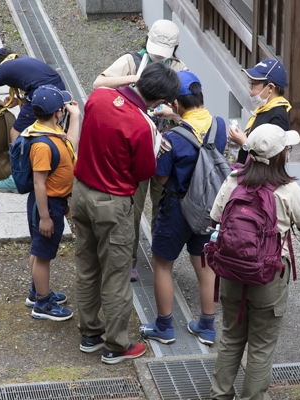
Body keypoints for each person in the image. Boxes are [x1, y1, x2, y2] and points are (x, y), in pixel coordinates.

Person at [73, 62, 180, 364]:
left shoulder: (99, 97)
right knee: (116, 275)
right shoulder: (141, 124)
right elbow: (144, 171)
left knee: (87, 264)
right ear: (159, 101)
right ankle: (116, 345)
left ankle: (90, 332)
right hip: (113, 203)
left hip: (81, 191)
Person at [209, 124, 300, 400]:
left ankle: (219, 394)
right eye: (287, 149)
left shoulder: (233, 181)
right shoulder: (288, 189)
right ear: (282, 156)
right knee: (261, 344)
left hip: (232, 269)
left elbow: (214, 218)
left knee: (231, 337)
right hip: (270, 273)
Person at [94, 19, 188, 282]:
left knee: (163, 204)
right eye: (156, 51)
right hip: (135, 143)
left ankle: (160, 258)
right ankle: (130, 259)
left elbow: (189, 108)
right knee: (132, 205)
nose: (159, 58)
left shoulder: (180, 69)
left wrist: (174, 114)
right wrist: (137, 79)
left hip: (165, 148)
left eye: (164, 54)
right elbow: (98, 83)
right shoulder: (132, 60)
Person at [138, 71, 227, 346]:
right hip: (208, 207)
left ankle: (164, 326)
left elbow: (161, 178)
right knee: (204, 262)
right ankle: (206, 326)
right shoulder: (219, 125)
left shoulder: (173, 137)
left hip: (177, 207)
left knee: (162, 264)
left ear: (175, 103)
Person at [23, 85, 80, 321]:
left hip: (52, 202)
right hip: (46, 205)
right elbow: (39, 183)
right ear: (58, 111)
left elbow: (71, 146)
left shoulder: (51, 131)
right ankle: (43, 304)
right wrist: (46, 217)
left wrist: (76, 118)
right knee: (43, 254)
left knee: (39, 249)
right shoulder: (43, 144)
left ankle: (37, 292)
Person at [0, 48, 68, 193]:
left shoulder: (3, 68)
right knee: (48, 132)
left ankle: (17, 179)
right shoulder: (22, 60)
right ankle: (52, 169)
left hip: (41, 93)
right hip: (56, 92)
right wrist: (20, 100)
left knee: (16, 133)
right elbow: (41, 81)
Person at [227, 59, 291, 165]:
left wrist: (244, 142)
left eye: (254, 84)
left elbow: (273, 159)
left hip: (260, 180)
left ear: (270, 87)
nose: (250, 90)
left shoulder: (278, 116)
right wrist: (238, 140)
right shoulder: (264, 109)